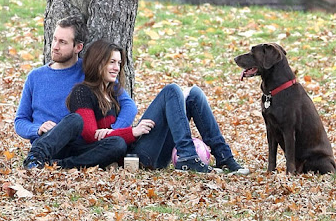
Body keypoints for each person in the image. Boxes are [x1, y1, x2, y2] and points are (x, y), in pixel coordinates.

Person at [66, 39, 249, 174]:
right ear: (97, 62)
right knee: (171, 90)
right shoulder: (82, 93)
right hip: (137, 157)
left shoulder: (112, 91)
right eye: (111, 62)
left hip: (154, 154)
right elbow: (90, 135)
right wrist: (132, 132)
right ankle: (187, 156)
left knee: (194, 95)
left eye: (119, 63)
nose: (117, 68)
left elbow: (130, 109)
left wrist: (115, 130)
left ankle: (224, 157)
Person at [15, 16, 137, 169]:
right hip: (49, 145)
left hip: (81, 148)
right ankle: (35, 158)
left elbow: (129, 105)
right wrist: (37, 129)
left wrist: (112, 131)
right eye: (54, 39)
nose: (55, 46)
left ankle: (62, 166)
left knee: (117, 144)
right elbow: (20, 121)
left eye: (63, 42)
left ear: (78, 47)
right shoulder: (35, 77)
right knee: (74, 120)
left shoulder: (91, 72)